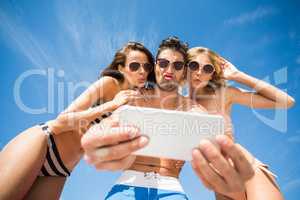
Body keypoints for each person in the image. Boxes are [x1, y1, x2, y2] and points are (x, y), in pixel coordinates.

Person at [0, 41, 155, 200]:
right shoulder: (109, 83)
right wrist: (111, 105)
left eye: (147, 67)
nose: (142, 71)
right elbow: (62, 120)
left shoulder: (133, 101)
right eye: (135, 66)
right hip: (45, 143)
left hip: (61, 169)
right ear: (121, 68)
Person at [186, 47, 289, 199]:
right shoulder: (178, 104)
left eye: (207, 68)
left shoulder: (223, 94)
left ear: (213, 74)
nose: (199, 72)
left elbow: (286, 101)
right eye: (194, 66)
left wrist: (237, 75)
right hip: (221, 182)